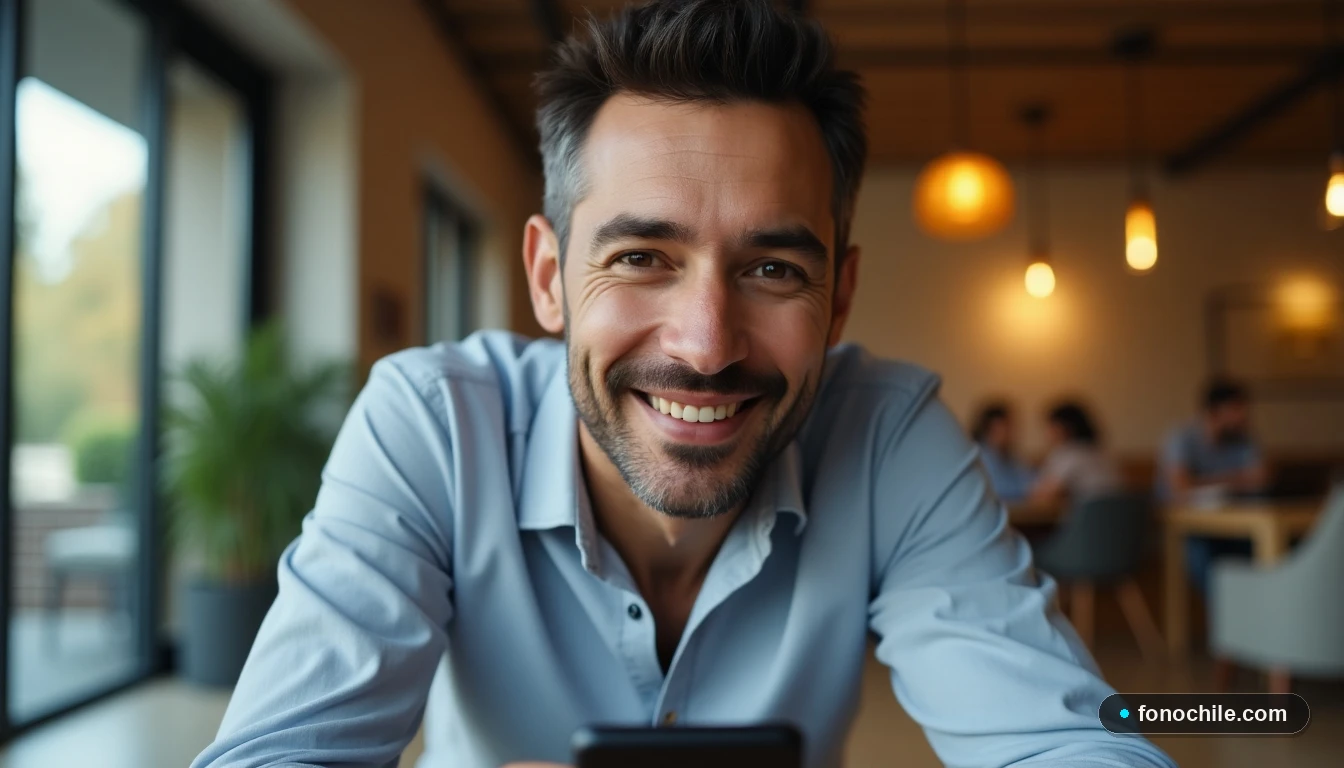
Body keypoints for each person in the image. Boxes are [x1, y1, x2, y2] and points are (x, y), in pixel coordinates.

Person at [193, 3, 1173, 767]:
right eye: (641, 258)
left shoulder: (887, 436)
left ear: (838, 300)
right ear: (549, 278)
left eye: (773, 269)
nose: (706, 346)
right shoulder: (433, 423)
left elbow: (1068, 741)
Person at [1159, 378, 1268, 593]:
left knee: (1265, 550)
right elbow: (1181, 488)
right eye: (1236, 409)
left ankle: (1253, 608)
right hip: (1191, 527)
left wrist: (1204, 482)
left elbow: (1261, 478)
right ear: (1215, 411)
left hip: (1237, 522)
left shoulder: (1243, 438)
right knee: (1203, 557)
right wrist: (1238, 479)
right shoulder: (1182, 438)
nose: (1243, 416)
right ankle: (1225, 609)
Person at [1028, 401, 1123, 506]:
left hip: (1090, 514)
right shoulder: (1100, 453)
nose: (1047, 433)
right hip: (1119, 513)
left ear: (1064, 428)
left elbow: (1044, 494)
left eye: (1051, 427)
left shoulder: (1068, 453)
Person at [971, 401, 1035, 503]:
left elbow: (1027, 478)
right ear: (990, 429)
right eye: (1006, 427)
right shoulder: (982, 456)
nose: (1011, 433)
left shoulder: (1009, 454)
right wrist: (1031, 490)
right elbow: (999, 490)